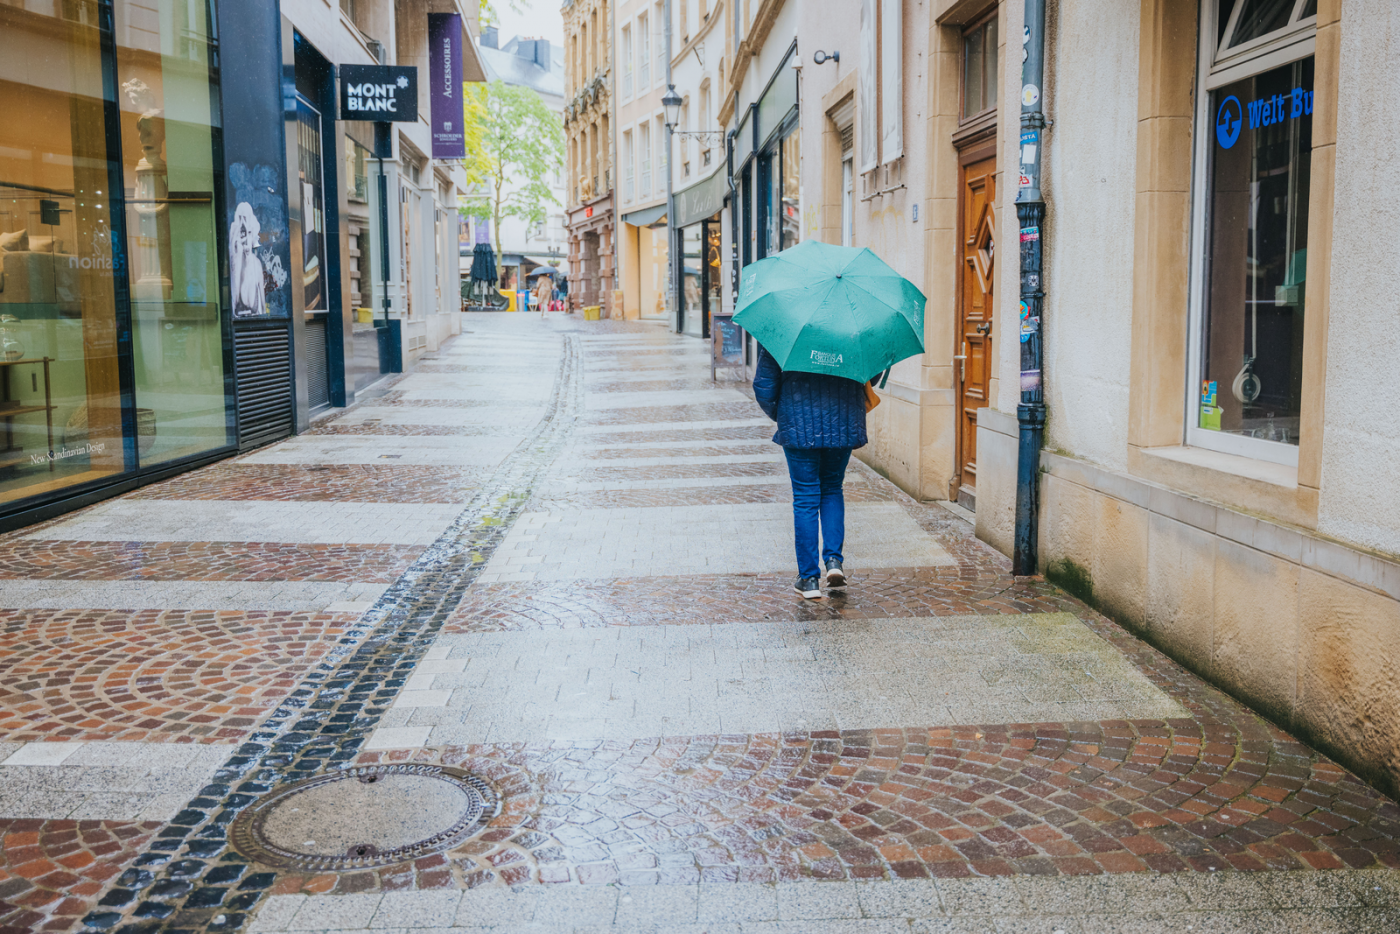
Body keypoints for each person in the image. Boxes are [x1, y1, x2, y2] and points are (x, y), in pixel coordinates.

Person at [753, 342, 868, 599]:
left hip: (798, 422)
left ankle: (808, 579)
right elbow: (872, 371)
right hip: (844, 418)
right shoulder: (853, 326)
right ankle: (834, 563)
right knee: (832, 488)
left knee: (805, 497)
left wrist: (784, 414)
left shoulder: (786, 328)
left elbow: (764, 384)